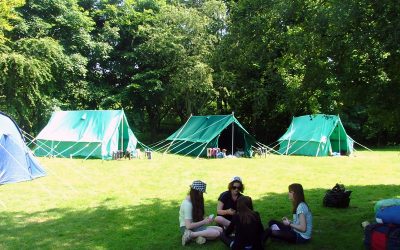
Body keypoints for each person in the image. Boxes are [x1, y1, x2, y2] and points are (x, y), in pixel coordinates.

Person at [179, 180, 223, 246]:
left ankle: (197, 237)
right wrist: (204, 222)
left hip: (195, 227)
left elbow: (197, 217)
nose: (202, 195)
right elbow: (188, 226)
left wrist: (206, 219)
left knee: (220, 229)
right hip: (187, 229)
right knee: (216, 233)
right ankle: (190, 235)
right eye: (201, 193)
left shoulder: (194, 200)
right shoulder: (187, 204)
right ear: (198, 192)